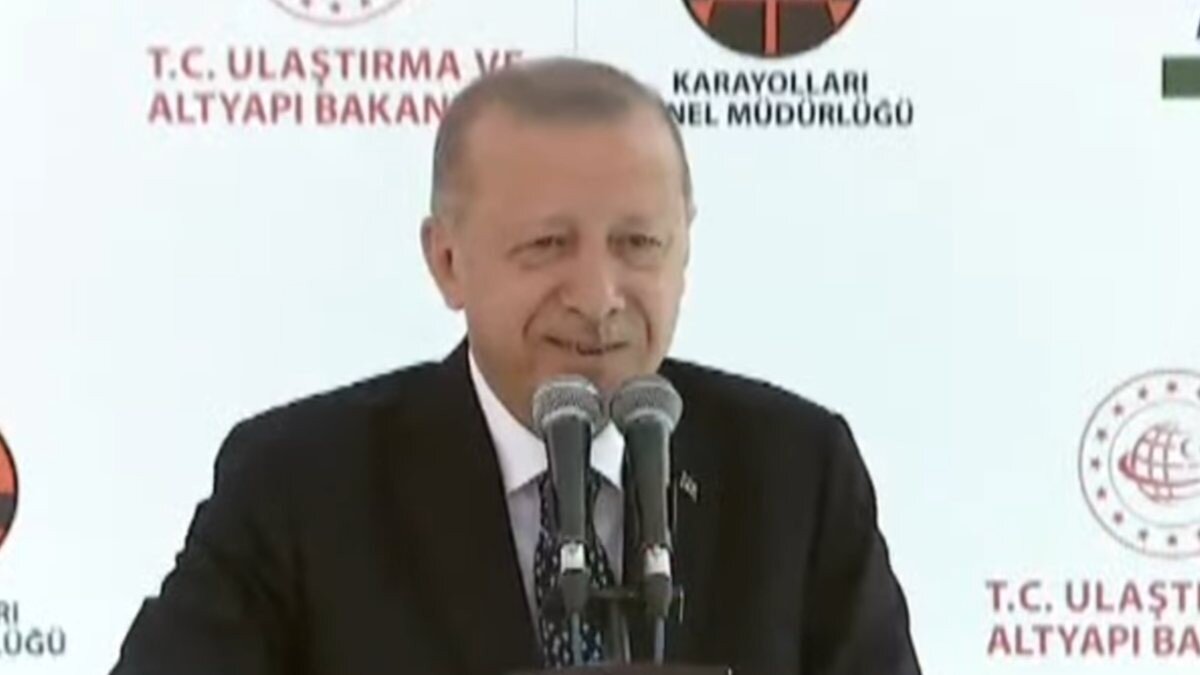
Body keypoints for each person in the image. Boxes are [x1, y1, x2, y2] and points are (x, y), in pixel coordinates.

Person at [111, 57, 921, 675]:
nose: (599, 297)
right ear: (447, 261)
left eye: (639, 243)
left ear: (685, 248)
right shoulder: (298, 483)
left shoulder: (796, 471)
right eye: (547, 245)